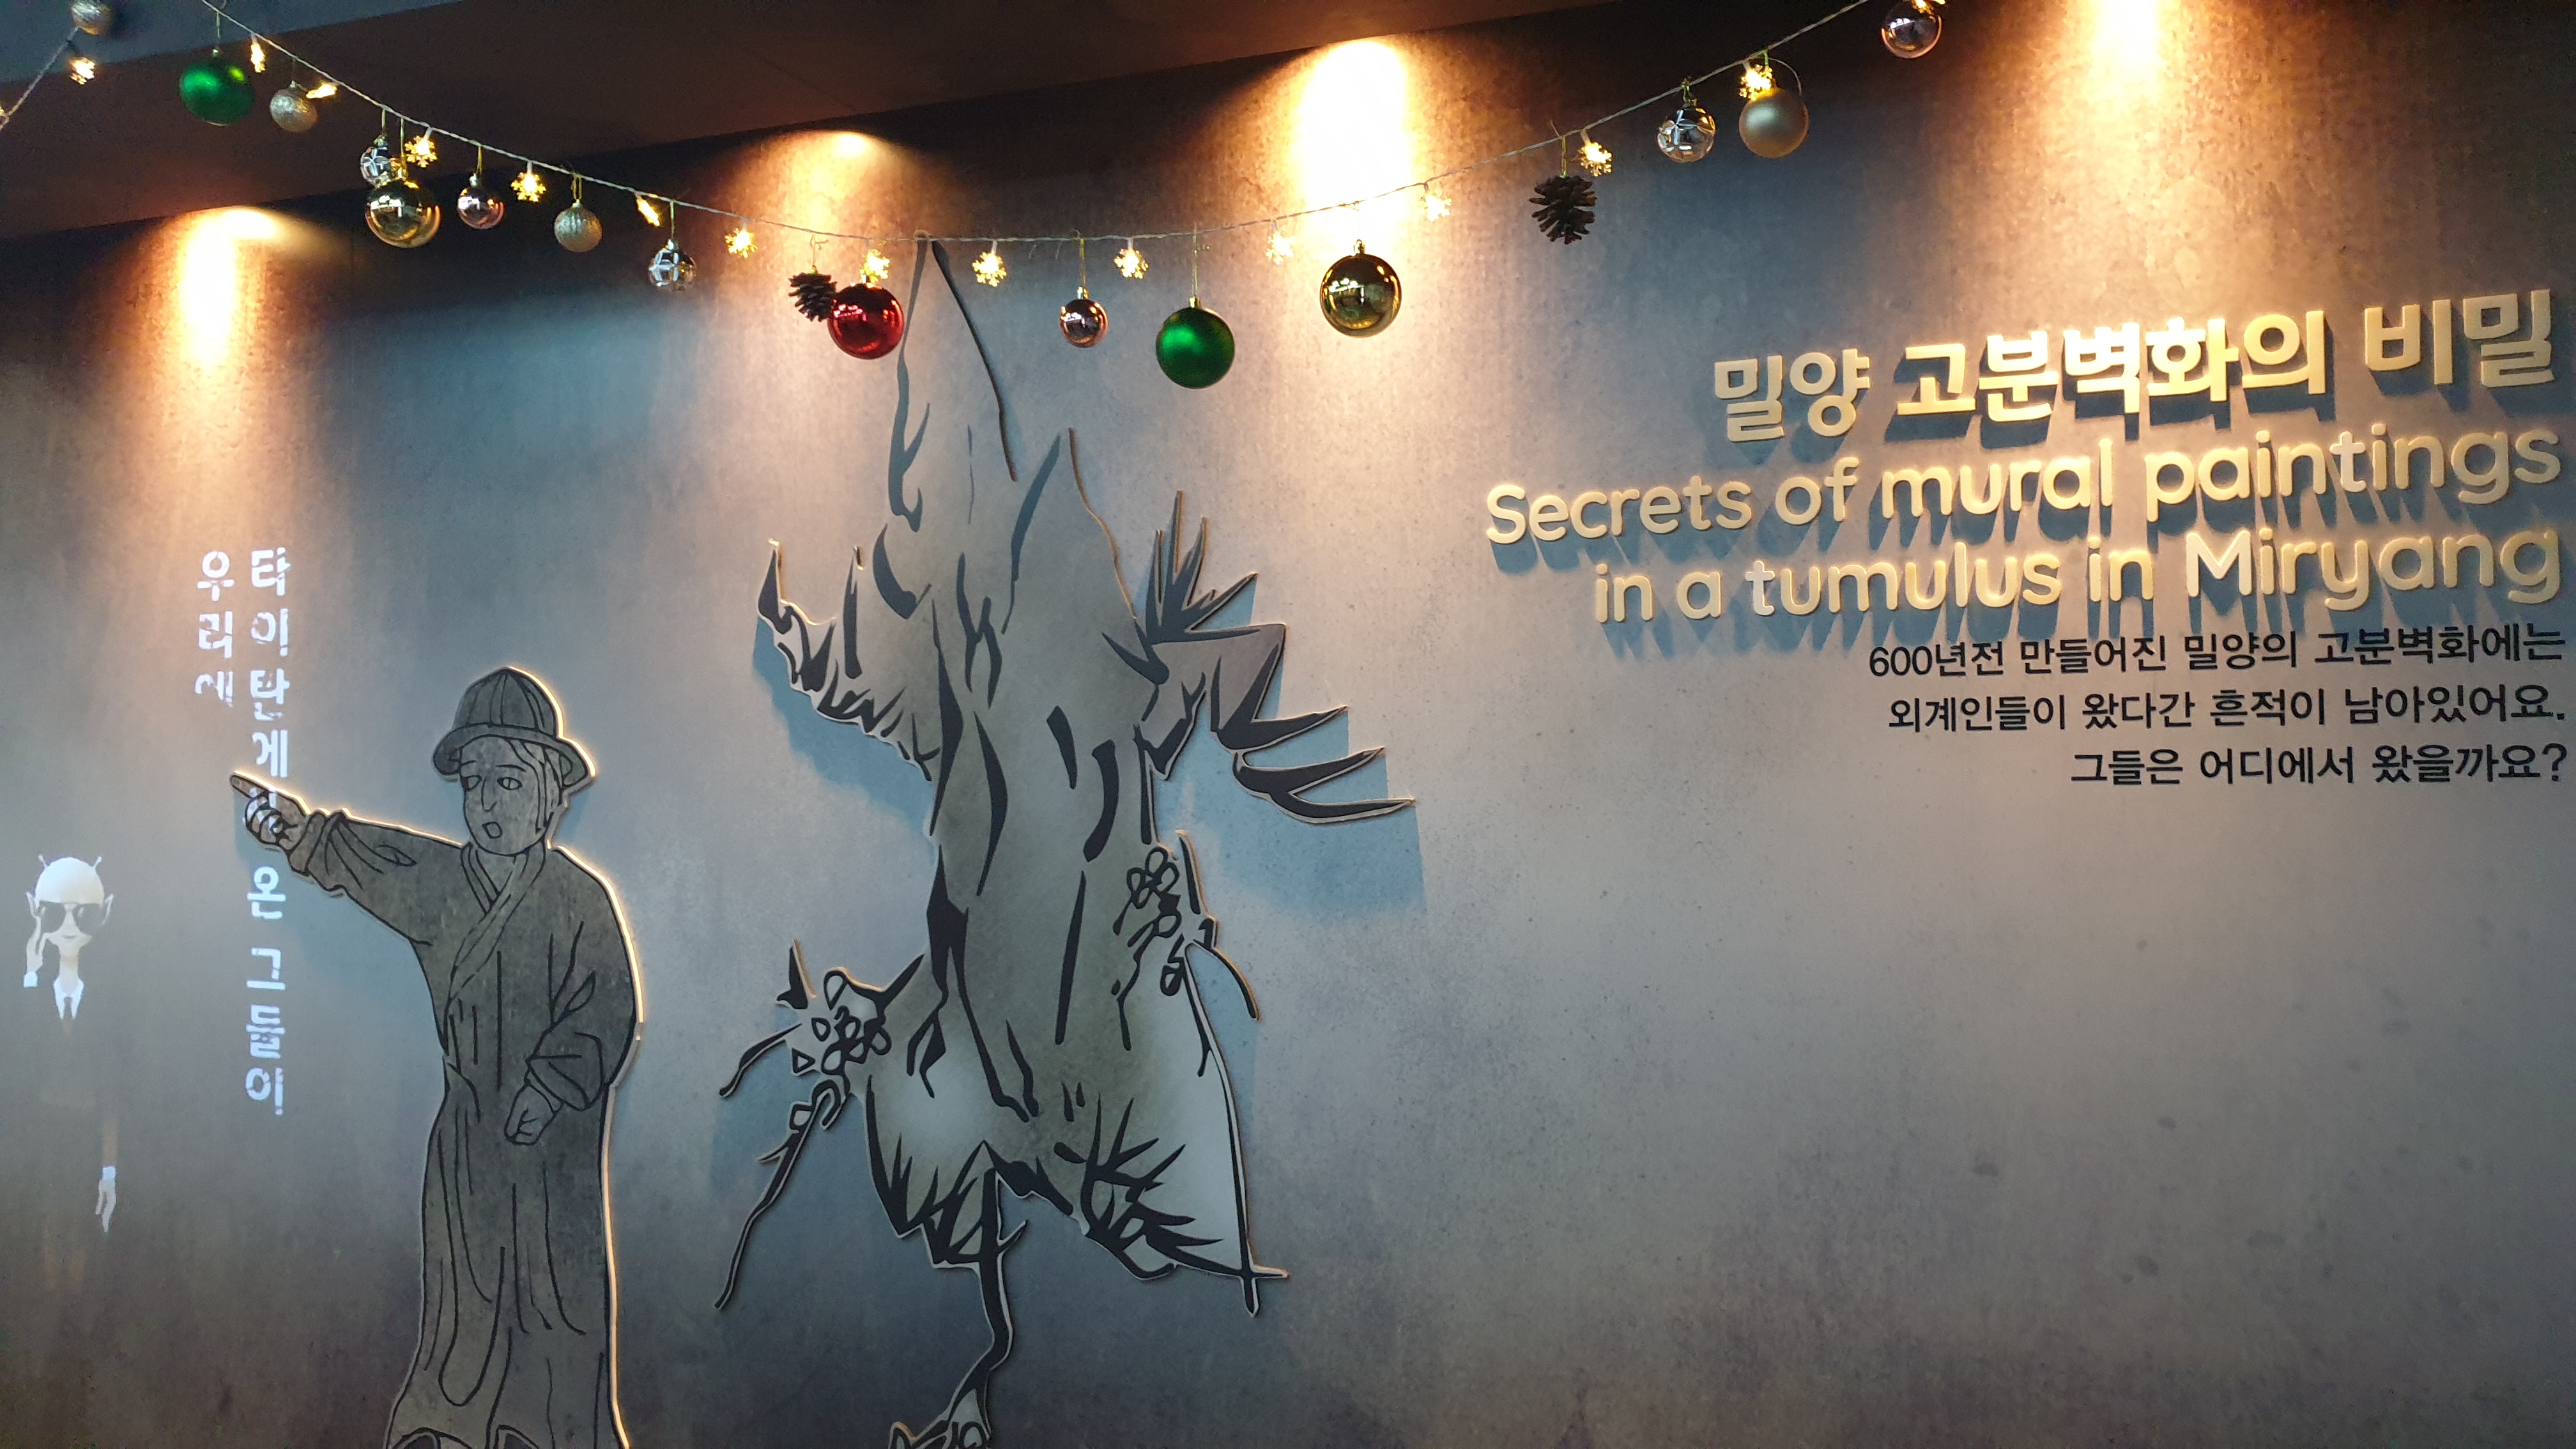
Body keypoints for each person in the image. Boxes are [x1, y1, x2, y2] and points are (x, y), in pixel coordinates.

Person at [237, 667, 638, 1449]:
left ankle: (552, 1431)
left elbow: (608, 1006)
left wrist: (553, 1084)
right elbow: (370, 858)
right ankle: (450, 1428)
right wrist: (297, 834)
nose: (488, 802)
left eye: (509, 781)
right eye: (474, 783)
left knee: (555, 1297)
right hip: (469, 1139)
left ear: (552, 795)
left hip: (551, 1152)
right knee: (466, 1293)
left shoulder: (579, 900)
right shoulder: (443, 883)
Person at [13, 856, 123, 1294]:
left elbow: (111, 1089)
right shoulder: (37, 994)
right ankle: (51, 1294)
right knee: (50, 1215)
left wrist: (110, 1169)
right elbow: (24, 1056)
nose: (70, 926)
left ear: (104, 914)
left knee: (80, 1219)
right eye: (56, 913)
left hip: (83, 1129)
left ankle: (75, 1299)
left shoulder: (106, 1004)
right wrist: (30, 975)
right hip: (48, 1128)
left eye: (84, 915)